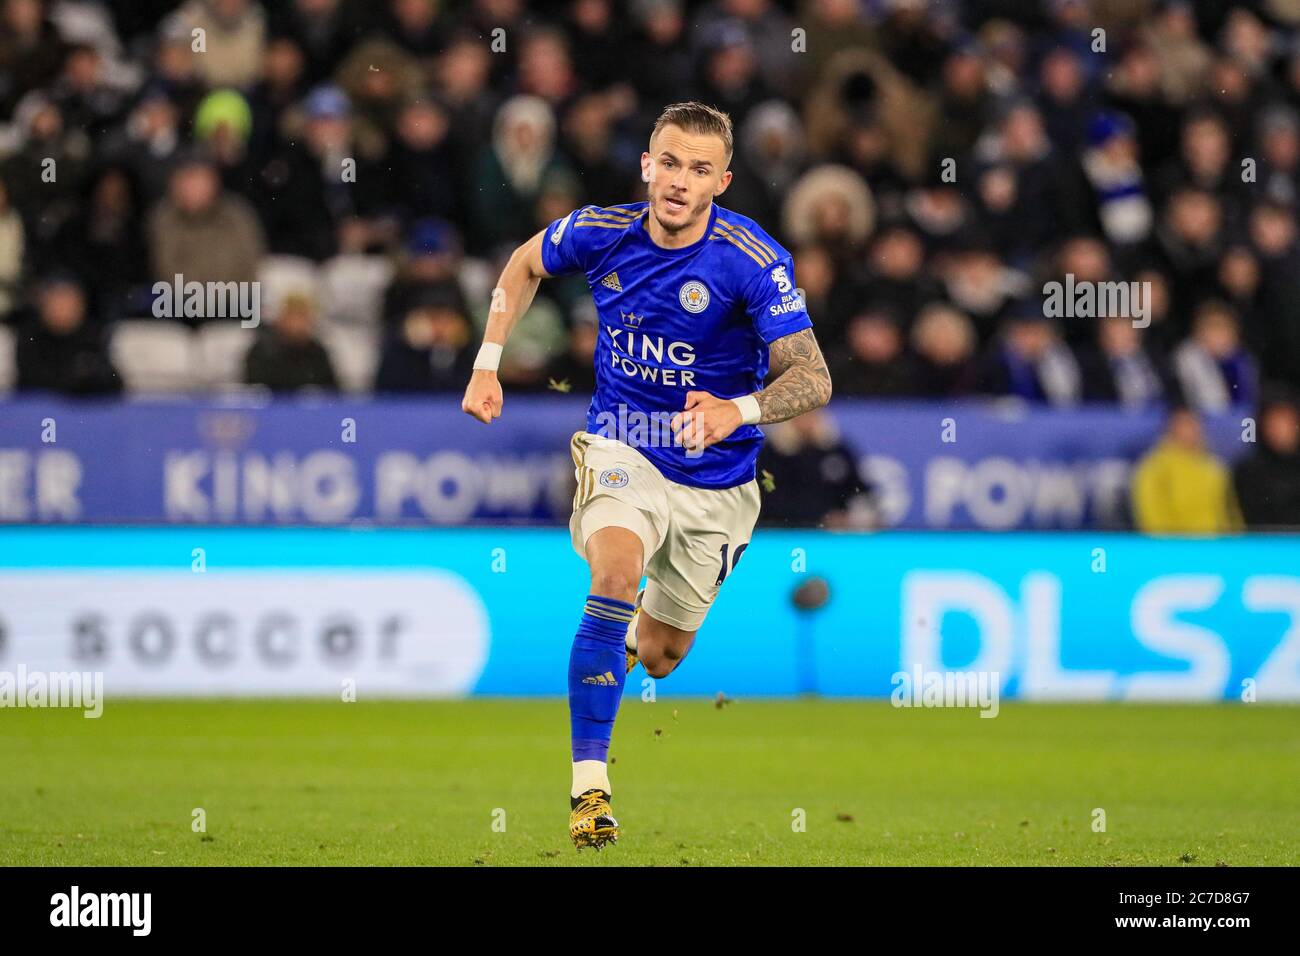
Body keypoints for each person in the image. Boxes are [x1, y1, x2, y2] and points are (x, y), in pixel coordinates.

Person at [460, 101, 831, 850]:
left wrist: (741, 408)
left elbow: (814, 377)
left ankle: (614, 646)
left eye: (699, 169)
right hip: (622, 442)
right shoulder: (602, 231)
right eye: (669, 162)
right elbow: (523, 264)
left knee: (661, 654)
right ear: (646, 166)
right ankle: (589, 788)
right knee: (615, 572)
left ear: (721, 181)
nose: (679, 181)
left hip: (719, 478)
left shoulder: (750, 260)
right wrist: (487, 361)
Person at [1130, 405, 1242, 534]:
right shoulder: (1152, 470)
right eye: (1184, 423)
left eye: (1194, 423)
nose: (1191, 430)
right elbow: (1152, 521)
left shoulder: (1216, 468)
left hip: (1217, 548)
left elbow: (1230, 514)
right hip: (1175, 549)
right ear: (1171, 428)